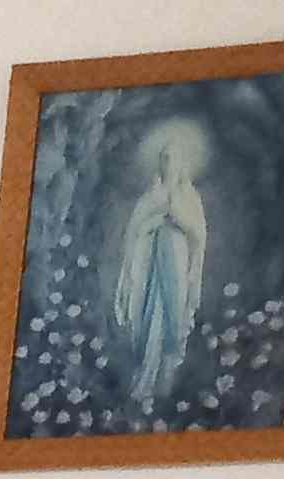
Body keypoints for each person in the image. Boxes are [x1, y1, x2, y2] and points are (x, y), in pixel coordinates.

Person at [113, 118, 212, 412]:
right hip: (150, 271)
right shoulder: (150, 196)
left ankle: (166, 386)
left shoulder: (190, 197)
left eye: (173, 158)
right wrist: (155, 220)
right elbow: (133, 233)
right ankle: (145, 380)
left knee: (174, 319)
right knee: (149, 319)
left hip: (177, 268)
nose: (169, 163)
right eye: (164, 158)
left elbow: (198, 236)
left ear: (182, 164)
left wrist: (178, 217)